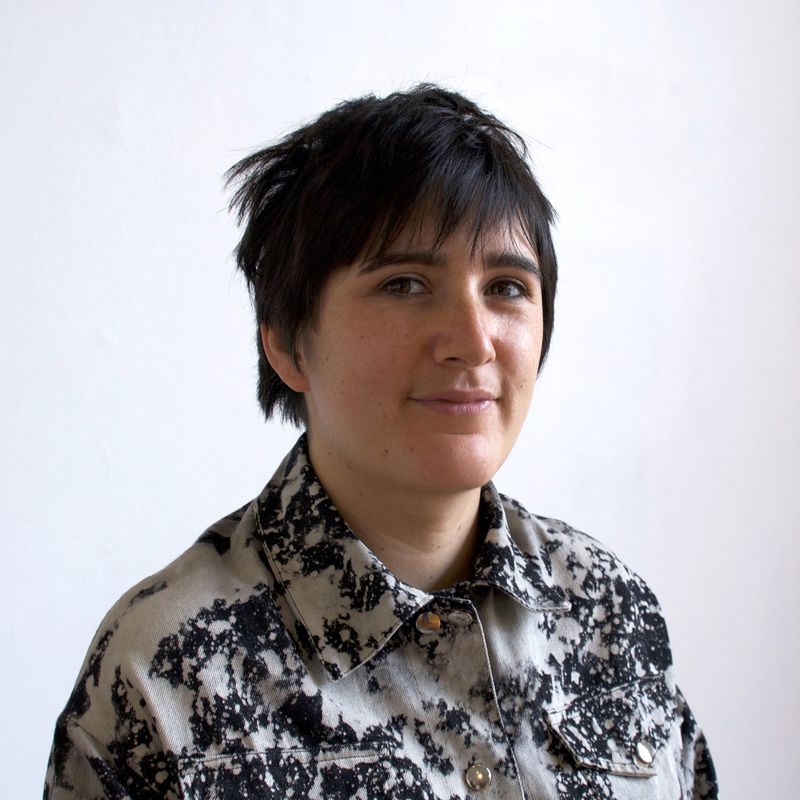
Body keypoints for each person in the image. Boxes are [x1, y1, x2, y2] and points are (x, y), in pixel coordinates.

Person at [45, 84, 718, 799]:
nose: (473, 342)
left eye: (506, 287)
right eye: (404, 284)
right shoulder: (167, 674)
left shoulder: (609, 608)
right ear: (288, 344)